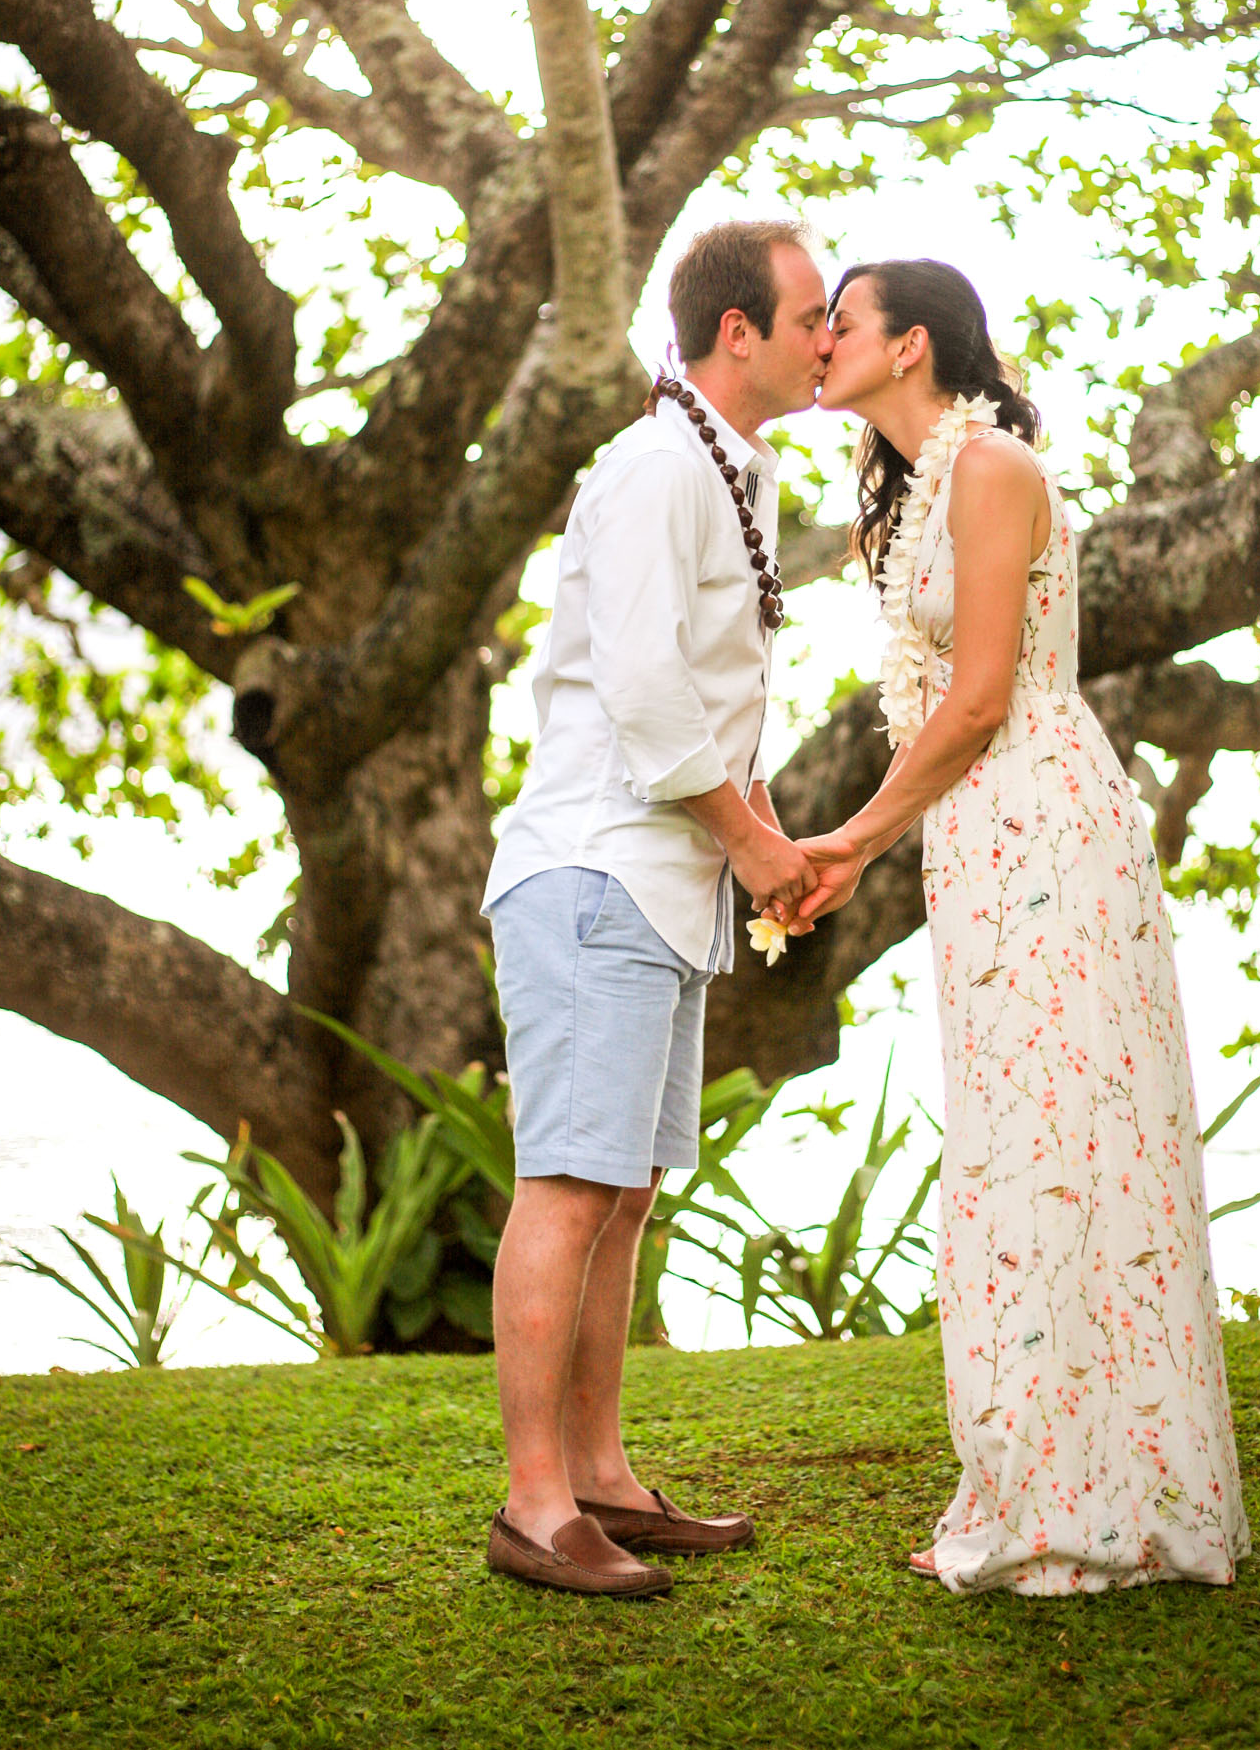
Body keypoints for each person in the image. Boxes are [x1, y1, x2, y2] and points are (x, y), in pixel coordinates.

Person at [791, 256, 1251, 1596]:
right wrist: (889, 838)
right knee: (1014, 1141)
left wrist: (851, 837)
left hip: (1044, 819)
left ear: (912, 344)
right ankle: (1031, 1473)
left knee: (1067, 1138)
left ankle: (1094, 1497)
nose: (821, 341)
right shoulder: (902, 495)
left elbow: (984, 693)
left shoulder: (992, 471)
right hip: (976, 842)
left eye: (844, 323)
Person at [480, 217, 833, 1598]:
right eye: (810, 312)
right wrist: (752, 840)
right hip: (597, 871)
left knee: (622, 1192)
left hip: (662, 885)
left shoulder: (714, 464)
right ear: (735, 329)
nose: (826, 333)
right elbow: (640, 693)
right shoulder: (649, 467)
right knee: (569, 1184)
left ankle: (605, 1477)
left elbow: (699, 697)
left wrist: (752, 842)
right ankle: (533, 1504)